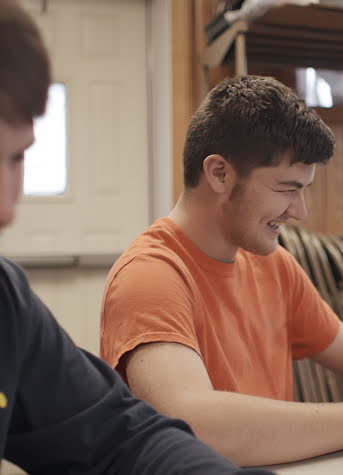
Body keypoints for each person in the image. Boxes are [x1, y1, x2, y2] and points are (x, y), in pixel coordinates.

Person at [100, 74, 343, 467]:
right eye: (286, 189)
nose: (300, 211)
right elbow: (193, 422)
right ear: (219, 174)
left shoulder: (270, 262)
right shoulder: (150, 276)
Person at [0, 2, 276, 474]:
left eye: (16, 159)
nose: (7, 211)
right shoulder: (150, 276)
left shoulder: (8, 308)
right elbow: (194, 419)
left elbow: (120, 437)